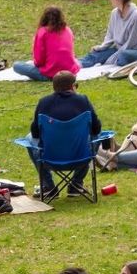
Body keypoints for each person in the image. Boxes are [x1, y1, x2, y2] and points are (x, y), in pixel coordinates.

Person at [27, 71, 103, 199]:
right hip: (80, 156)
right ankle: (76, 184)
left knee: (29, 139)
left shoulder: (44, 102)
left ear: (54, 87)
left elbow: (35, 133)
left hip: (50, 158)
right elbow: (96, 129)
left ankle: (49, 187)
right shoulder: (83, 101)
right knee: (99, 135)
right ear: (73, 86)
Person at [12, 6, 79, 81]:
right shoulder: (67, 29)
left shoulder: (43, 32)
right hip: (70, 72)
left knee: (17, 65)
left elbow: (39, 61)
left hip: (50, 74)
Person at [78, 0, 137, 68]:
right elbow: (110, 36)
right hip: (118, 49)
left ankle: (115, 62)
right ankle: (75, 64)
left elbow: (131, 43)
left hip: (134, 50)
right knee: (97, 54)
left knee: (123, 56)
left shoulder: (136, 16)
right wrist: (101, 47)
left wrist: (112, 57)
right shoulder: (114, 13)